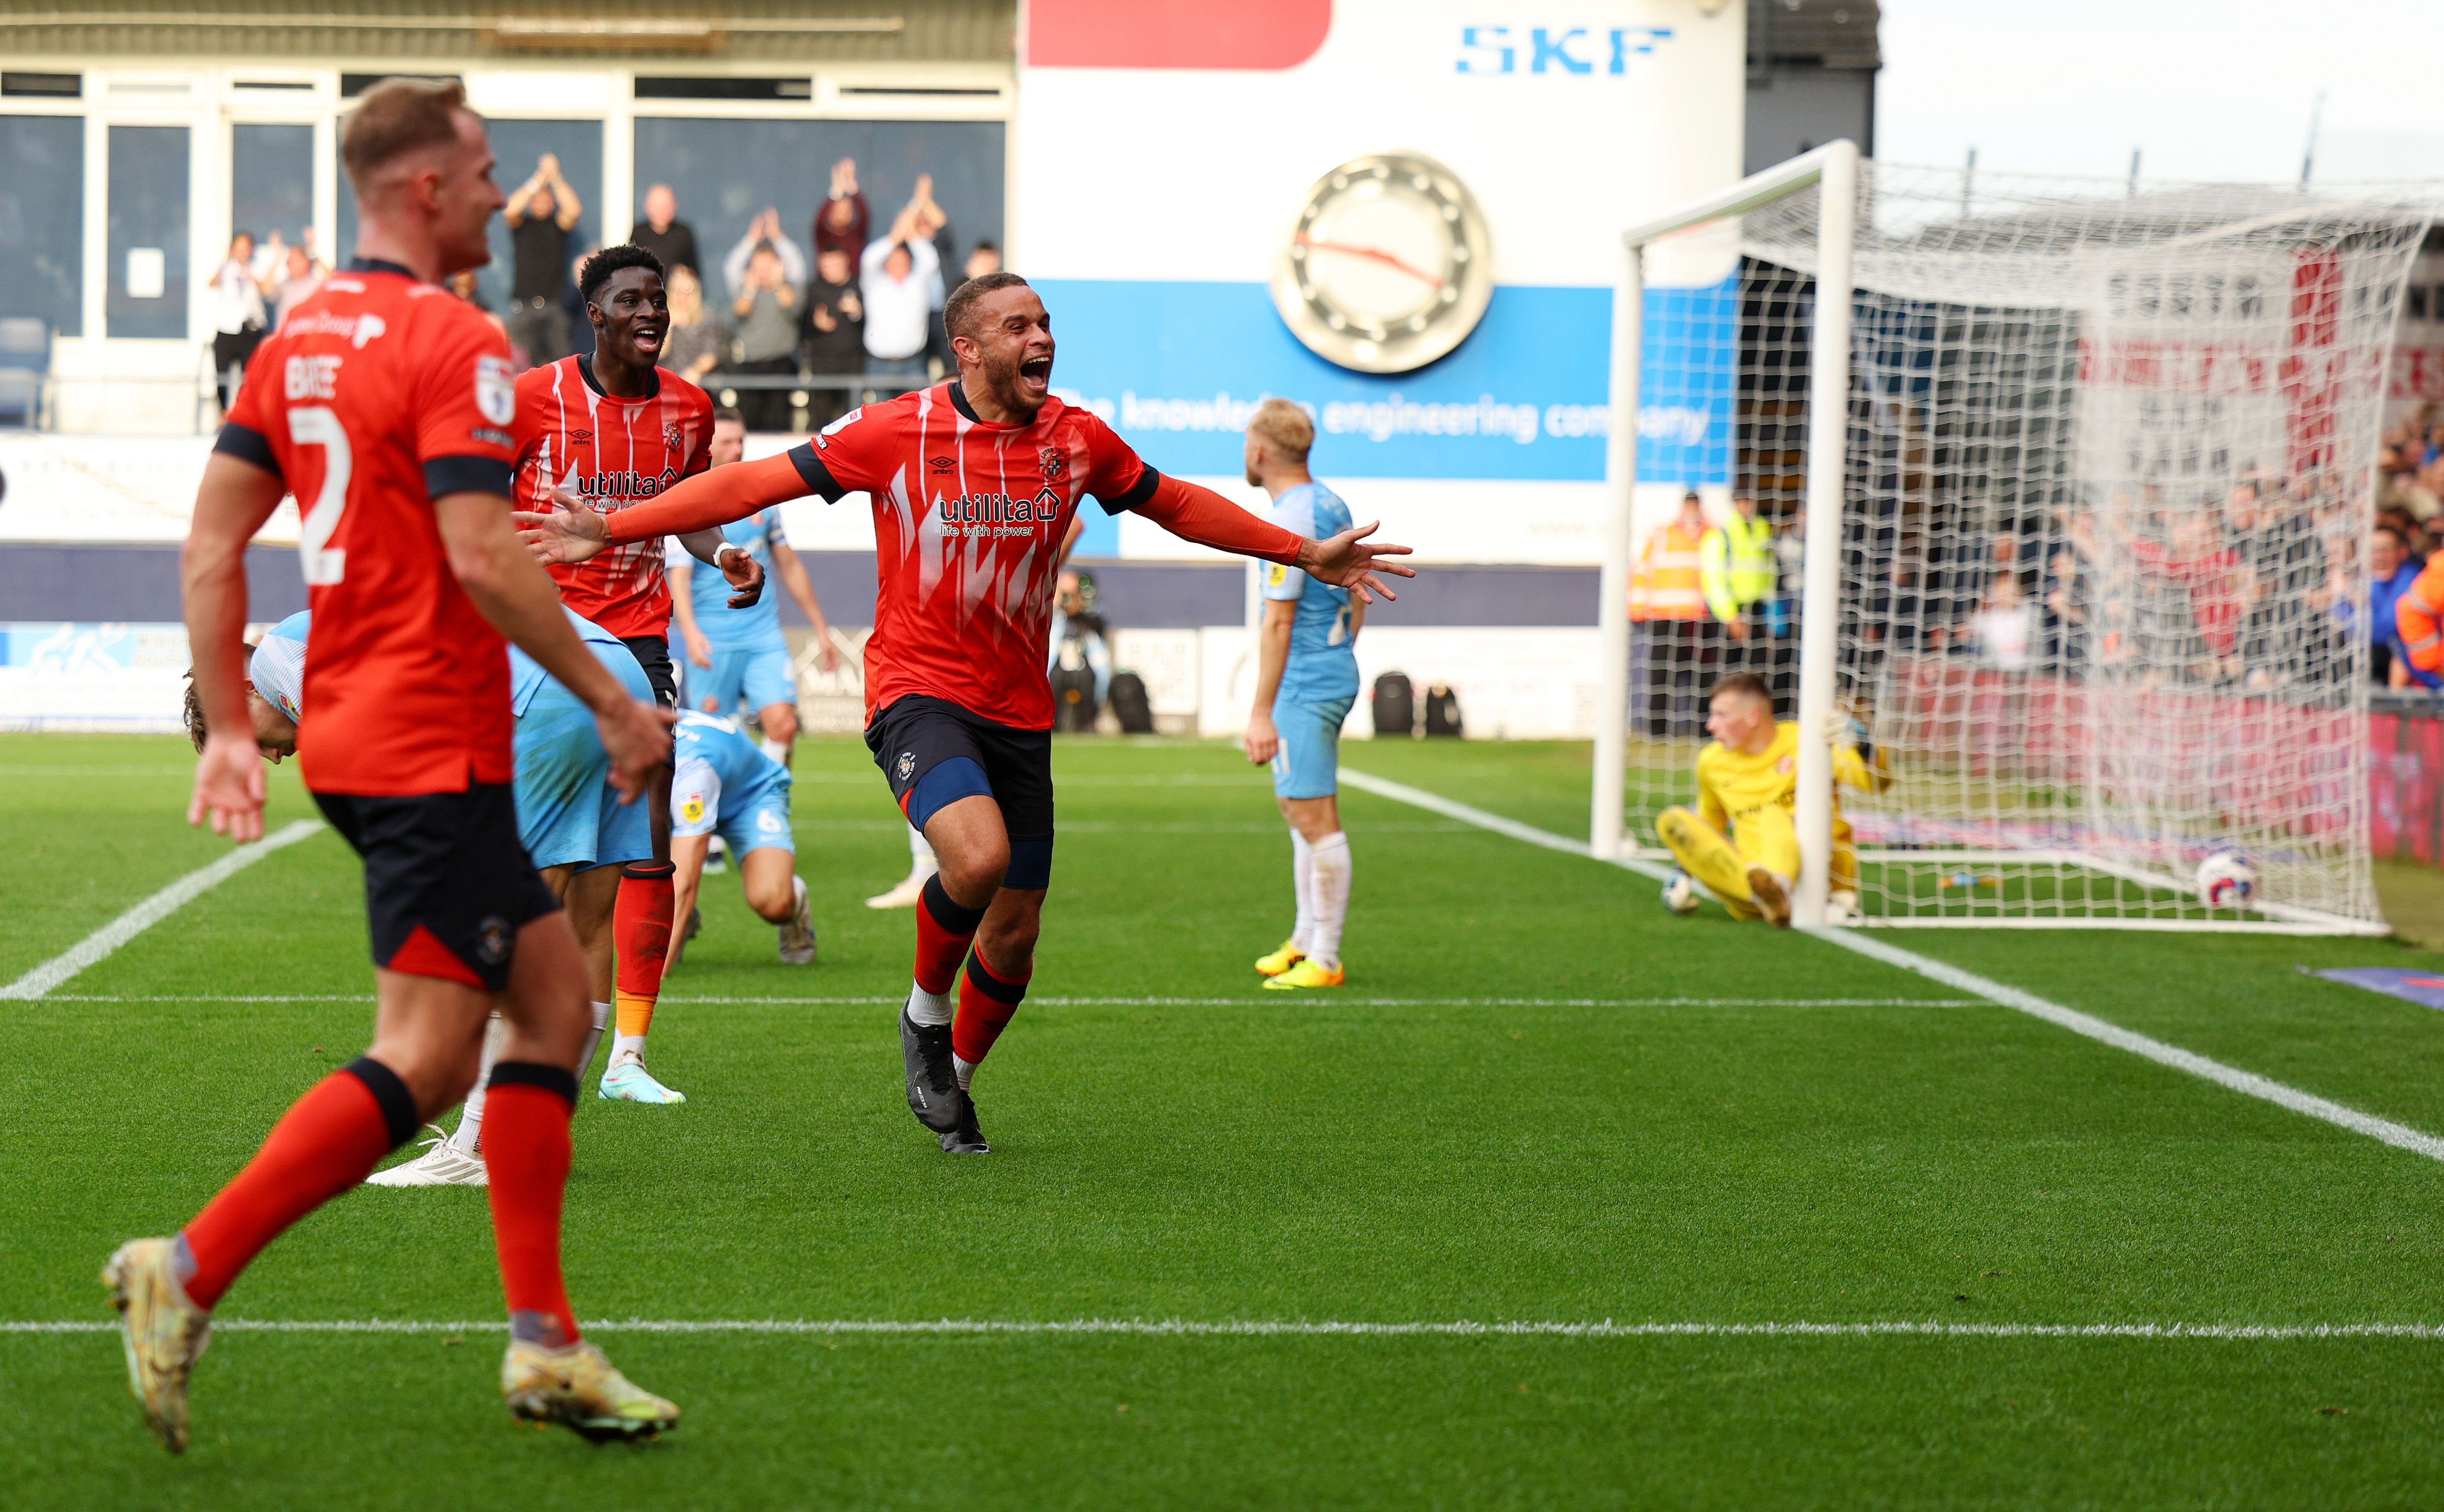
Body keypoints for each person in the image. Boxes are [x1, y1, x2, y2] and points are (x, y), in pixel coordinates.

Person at [514, 269, 1414, 1156]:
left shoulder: (1076, 438)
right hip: (918, 691)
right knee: (976, 857)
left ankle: (956, 1080)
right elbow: (748, 488)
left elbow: (1173, 502)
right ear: (968, 346)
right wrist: (613, 527)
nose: (1043, 340)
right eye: (1020, 327)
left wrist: (1302, 550)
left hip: (1019, 706)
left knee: (1016, 931)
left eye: (1046, 323)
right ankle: (923, 1015)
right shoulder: (896, 430)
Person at [124, 77, 679, 1450]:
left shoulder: (296, 333)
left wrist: (236, 728)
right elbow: (486, 550)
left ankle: (545, 1343)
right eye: (484, 170)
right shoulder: (456, 336)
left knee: (550, 1004)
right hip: (426, 738)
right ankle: (183, 1269)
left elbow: (210, 548)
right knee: (429, 1061)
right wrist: (615, 700)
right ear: (424, 187)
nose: (502, 193)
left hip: (373, 735)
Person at [515, 242, 761, 1108]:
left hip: (639, 638)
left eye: (658, 298)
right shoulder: (531, 398)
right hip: (539, 642)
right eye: (631, 299)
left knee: (647, 833)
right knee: (535, 848)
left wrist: (726, 548)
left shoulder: (690, 408)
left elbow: (690, 511)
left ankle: (626, 1055)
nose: (651, 312)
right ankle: (505, 1025)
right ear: (595, 312)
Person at [1240, 398, 1362, 991]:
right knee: (1299, 813)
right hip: (1328, 670)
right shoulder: (1329, 501)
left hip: (1305, 683)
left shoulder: (1292, 517)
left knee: (1314, 818)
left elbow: (1279, 623)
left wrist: (1261, 711)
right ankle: (1307, 937)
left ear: (1259, 451)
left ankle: (1328, 957)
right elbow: (1359, 590)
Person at [668, 406, 840, 768]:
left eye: (741, 440)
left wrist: (821, 630)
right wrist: (690, 633)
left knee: (783, 725)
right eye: (728, 442)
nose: (738, 449)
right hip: (714, 640)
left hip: (764, 637)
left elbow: (789, 566)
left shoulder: (761, 500)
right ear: (709, 447)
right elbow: (679, 578)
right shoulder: (690, 499)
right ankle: (714, 820)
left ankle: (768, 802)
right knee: (713, 739)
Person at [1654, 672, 1876, 929]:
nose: (1710, 725)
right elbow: (1710, 825)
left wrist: (1863, 745)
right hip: (1749, 881)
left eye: (1721, 715)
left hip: (1818, 881)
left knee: (1772, 815)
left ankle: (1777, 888)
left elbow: (1874, 783)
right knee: (1672, 821)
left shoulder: (1806, 740)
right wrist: (1681, 873)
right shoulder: (1711, 761)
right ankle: (1767, 897)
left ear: (1752, 717)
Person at [666, 709, 816, 968]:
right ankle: (681, 918)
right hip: (686, 787)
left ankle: (796, 902)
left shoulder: (690, 768)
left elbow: (686, 881)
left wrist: (653, 977)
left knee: (772, 901)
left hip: (749, 797)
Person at [1629, 492, 1712, 737]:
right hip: (1663, 616)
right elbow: (1641, 570)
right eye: (1688, 506)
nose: (1691, 510)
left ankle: (1703, 731)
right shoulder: (1662, 535)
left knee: (1701, 676)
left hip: (1698, 617)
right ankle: (1658, 732)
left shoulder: (1711, 534)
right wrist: (1637, 608)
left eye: (1695, 506)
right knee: (1661, 675)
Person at [502, 151, 581, 367]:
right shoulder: (522, 225)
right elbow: (510, 209)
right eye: (537, 198)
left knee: (563, 368)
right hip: (525, 308)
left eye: (546, 198)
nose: (541, 202)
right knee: (522, 369)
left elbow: (574, 210)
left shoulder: (558, 225)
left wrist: (555, 178)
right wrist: (538, 179)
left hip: (555, 308)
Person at [858, 193, 941, 388]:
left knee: (915, 417)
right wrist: (894, 239)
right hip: (879, 364)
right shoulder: (875, 283)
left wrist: (911, 236)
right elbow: (869, 259)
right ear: (886, 263)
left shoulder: (918, 282)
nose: (898, 264)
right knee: (880, 418)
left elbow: (930, 260)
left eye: (903, 260)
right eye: (894, 260)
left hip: (913, 363)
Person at [1702, 490, 1778, 673]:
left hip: (1758, 609)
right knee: (1727, 671)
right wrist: (1730, 616)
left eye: (1750, 501)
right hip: (1731, 611)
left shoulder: (1763, 529)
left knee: (1758, 669)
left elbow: (1769, 571)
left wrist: (1770, 612)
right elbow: (1713, 580)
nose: (1747, 506)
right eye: (1742, 501)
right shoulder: (1721, 534)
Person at [727, 242, 799, 432]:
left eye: (768, 267)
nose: (763, 273)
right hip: (750, 363)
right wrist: (750, 288)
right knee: (749, 419)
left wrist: (778, 283)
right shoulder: (746, 289)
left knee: (778, 420)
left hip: (781, 363)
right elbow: (740, 311)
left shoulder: (790, 288)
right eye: (758, 268)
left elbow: (793, 308)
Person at [800, 245, 864, 432]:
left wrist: (858, 313)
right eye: (826, 266)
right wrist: (816, 323)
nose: (831, 270)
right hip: (822, 361)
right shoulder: (814, 289)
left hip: (852, 360)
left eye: (835, 264)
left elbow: (872, 324)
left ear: (846, 262)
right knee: (819, 414)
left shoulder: (858, 286)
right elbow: (801, 326)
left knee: (852, 416)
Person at [208, 232, 269, 409]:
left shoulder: (257, 268)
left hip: (250, 329)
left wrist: (249, 272)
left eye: (246, 248)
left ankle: (243, 411)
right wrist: (225, 261)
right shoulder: (227, 268)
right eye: (239, 248)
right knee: (221, 376)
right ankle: (222, 412)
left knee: (249, 376)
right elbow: (211, 283)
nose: (242, 252)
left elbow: (266, 289)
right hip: (227, 326)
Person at [657, 263, 723, 386]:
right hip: (668, 382)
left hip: (699, 381)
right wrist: (669, 326)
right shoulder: (660, 317)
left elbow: (712, 354)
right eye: (677, 290)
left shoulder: (705, 316)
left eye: (687, 291)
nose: (682, 296)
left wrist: (695, 371)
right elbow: (658, 354)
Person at [628, 182, 700, 285]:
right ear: (647, 207)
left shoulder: (683, 234)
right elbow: (628, 268)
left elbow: (695, 273)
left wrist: (684, 273)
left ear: (674, 206)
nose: (661, 212)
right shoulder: (639, 233)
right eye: (658, 208)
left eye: (665, 207)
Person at [811, 156, 869, 259]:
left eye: (847, 211)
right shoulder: (824, 237)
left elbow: (865, 216)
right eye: (837, 211)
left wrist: (852, 186)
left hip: (854, 276)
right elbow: (818, 222)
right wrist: (835, 192)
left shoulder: (857, 235)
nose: (842, 215)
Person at [268, 242, 325, 330]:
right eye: (288, 262)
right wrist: (277, 258)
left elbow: (336, 280)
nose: (290, 265)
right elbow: (266, 290)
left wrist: (315, 257)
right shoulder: (283, 285)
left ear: (306, 261)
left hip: (308, 337)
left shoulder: (318, 285)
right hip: (285, 338)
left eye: (294, 261)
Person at [445, 266, 504, 336]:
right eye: (459, 286)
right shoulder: (446, 307)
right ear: (454, 285)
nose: (463, 291)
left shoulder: (483, 311)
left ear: (473, 286)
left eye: (466, 286)